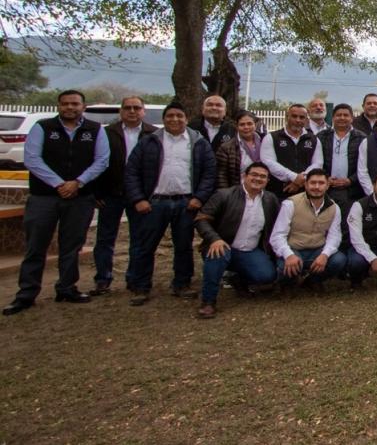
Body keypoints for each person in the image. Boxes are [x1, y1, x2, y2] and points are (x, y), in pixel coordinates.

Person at [3, 90, 110, 315]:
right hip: (44, 197)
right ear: (59, 106)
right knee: (35, 246)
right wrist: (59, 184)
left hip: (80, 197)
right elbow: (32, 159)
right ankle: (26, 294)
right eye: (65, 104)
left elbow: (102, 160)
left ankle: (67, 288)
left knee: (71, 246)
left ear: (83, 106)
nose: (70, 107)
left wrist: (78, 183)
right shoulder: (43, 127)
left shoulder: (95, 130)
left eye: (75, 104)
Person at [123, 102, 217, 306]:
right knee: (145, 246)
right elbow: (131, 172)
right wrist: (139, 199)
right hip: (154, 203)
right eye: (170, 116)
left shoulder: (199, 143)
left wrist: (199, 198)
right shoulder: (149, 141)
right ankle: (141, 287)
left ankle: (182, 284)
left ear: (186, 118)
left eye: (179, 116)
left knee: (183, 246)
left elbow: (210, 173)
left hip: (186, 203)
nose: (175, 119)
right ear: (164, 119)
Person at [193, 162, 280, 318]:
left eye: (263, 177)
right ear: (244, 176)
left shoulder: (270, 199)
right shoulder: (224, 195)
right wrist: (214, 239)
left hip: (249, 251)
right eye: (254, 174)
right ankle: (208, 301)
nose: (258, 179)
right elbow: (201, 219)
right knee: (218, 254)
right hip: (222, 245)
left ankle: (237, 278)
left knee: (266, 275)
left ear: (267, 181)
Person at [92, 96, 157, 296]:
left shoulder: (153, 134)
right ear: (121, 111)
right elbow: (96, 163)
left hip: (140, 196)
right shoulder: (106, 133)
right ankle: (103, 279)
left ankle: (135, 279)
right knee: (105, 239)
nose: (132, 111)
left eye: (136, 108)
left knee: (139, 239)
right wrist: (96, 192)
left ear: (143, 111)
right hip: (111, 193)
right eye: (127, 108)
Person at [269, 169, 348, 290]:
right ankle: (288, 282)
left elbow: (335, 236)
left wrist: (324, 255)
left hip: (317, 250)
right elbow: (277, 236)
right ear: (306, 185)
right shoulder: (290, 204)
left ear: (327, 185)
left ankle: (312, 281)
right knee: (286, 266)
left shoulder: (334, 208)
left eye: (321, 183)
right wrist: (289, 255)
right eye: (313, 183)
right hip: (293, 249)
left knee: (339, 260)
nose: (316, 187)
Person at [261, 104, 322, 199]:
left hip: (305, 192)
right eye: (294, 116)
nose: (298, 120)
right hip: (277, 192)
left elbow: (318, 163)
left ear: (306, 120)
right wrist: (293, 177)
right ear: (287, 117)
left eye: (302, 117)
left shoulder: (314, 140)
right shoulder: (271, 137)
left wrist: (301, 180)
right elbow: (268, 162)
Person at [315, 103, 365, 211]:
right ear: (333, 118)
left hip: (351, 190)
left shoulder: (361, 138)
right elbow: (316, 162)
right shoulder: (322, 136)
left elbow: (365, 165)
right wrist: (325, 178)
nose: (342, 118)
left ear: (352, 118)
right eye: (338, 115)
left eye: (346, 115)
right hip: (326, 188)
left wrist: (350, 180)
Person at [216, 110, 263, 189]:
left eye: (249, 124)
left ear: (255, 124)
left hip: (264, 189)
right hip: (238, 190)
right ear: (236, 126)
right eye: (242, 124)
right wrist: (227, 194)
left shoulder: (265, 142)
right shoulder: (226, 148)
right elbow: (221, 176)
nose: (246, 127)